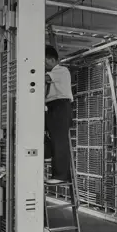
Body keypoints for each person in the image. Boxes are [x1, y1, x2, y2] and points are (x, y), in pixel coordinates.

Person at [44, 46, 73, 184]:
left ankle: (61, 175)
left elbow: (43, 79)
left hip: (61, 106)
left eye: (44, 61)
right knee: (35, 129)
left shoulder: (61, 70)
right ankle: (48, 152)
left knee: (60, 141)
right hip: (52, 107)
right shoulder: (52, 73)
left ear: (51, 59)